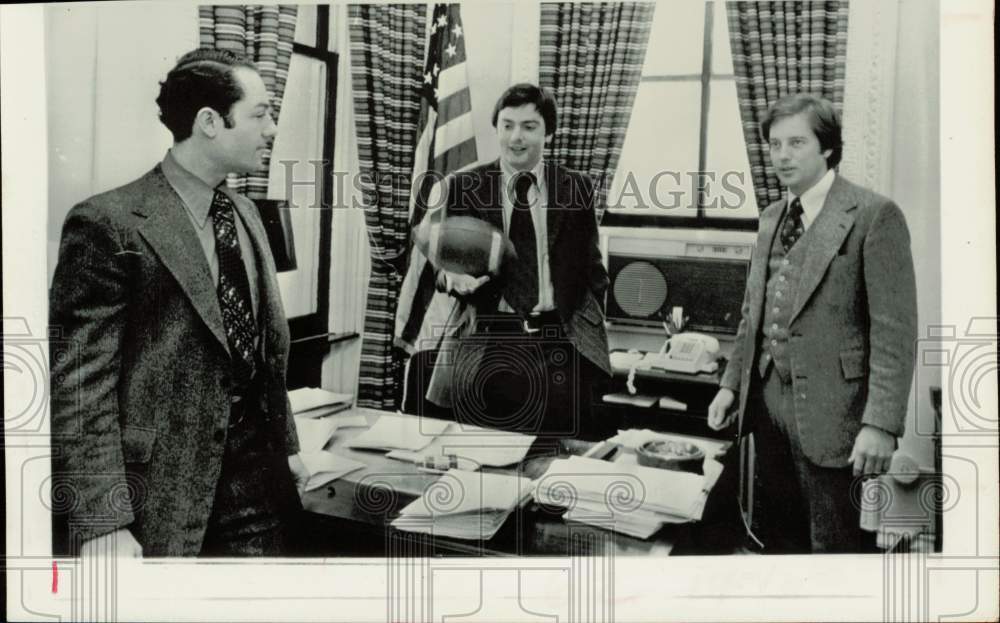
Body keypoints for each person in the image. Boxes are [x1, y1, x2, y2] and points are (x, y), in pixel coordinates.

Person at [49, 48, 308, 557]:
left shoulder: (249, 213)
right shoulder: (108, 223)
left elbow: (267, 349)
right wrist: (103, 520)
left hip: (258, 482)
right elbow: (80, 385)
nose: (272, 128)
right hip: (163, 493)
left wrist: (289, 446)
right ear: (210, 122)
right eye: (260, 114)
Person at [707, 93, 918, 553]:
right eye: (775, 144)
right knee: (780, 542)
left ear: (827, 148)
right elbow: (753, 315)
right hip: (766, 408)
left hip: (836, 418)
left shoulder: (873, 216)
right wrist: (729, 386)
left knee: (835, 548)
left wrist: (881, 424)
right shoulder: (769, 219)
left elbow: (895, 333)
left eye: (796, 143)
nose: (782, 155)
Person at [424, 83, 612, 440]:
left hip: (557, 345)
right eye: (507, 125)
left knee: (555, 465)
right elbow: (441, 264)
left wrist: (585, 331)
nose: (516, 137)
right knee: (483, 460)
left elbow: (593, 271)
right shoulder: (464, 186)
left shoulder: (576, 188)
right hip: (488, 344)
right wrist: (451, 277)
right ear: (496, 128)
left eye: (529, 126)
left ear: (549, 132)